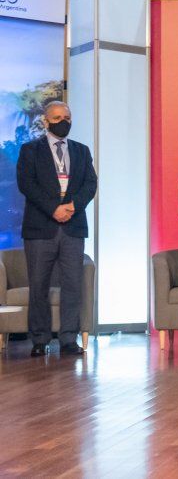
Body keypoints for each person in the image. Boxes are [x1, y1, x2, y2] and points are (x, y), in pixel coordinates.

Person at [15, 101, 97, 357]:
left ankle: (68, 339)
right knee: (39, 285)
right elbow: (27, 184)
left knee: (72, 284)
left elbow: (90, 183)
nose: (64, 121)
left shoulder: (81, 151)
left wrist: (72, 206)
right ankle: (40, 339)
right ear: (46, 121)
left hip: (73, 228)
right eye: (58, 117)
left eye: (68, 117)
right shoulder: (30, 150)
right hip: (41, 229)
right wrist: (54, 209)